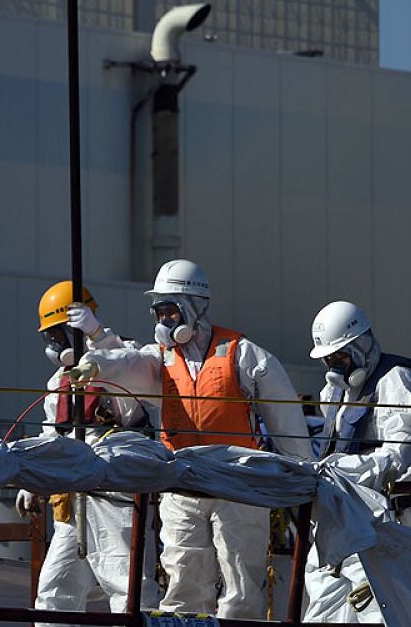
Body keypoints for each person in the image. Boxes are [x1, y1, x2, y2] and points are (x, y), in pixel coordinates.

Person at [70, 260, 311, 619]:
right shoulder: (160, 359)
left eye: (170, 311)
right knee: (183, 578)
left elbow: (284, 416)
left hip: (238, 482)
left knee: (242, 582)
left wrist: (303, 470)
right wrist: (98, 362)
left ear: (194, 307)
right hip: (182, 484)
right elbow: (130, 363)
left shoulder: (242, 353)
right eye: (158, 313)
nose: (164, 321)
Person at [16, 281, 160, 624]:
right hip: (73, 497)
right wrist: (31, 479)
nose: (54, 346)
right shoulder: (59, 383)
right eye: (49, 338)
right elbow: (52, 433)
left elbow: (129, 368)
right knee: (55, 587)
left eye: (58, 336)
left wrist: (98, 337)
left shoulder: (123, 355)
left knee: (126, 581)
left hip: (116, 491)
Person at [301, 300, 411, 623]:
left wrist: (346, 470)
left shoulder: (395, 381)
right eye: (329, 359)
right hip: (334, 513)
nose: (335, 367)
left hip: (376, 518)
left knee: (375, 605)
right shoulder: (333, 393)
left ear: (362, 346)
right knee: (323, 602)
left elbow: (405, 452)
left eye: (341, 357)